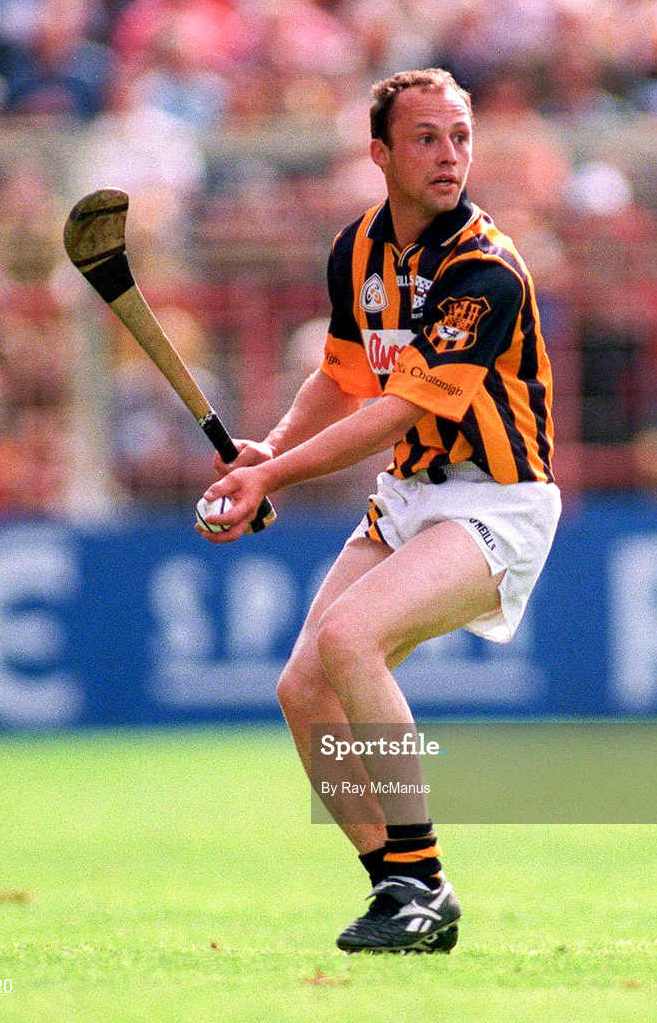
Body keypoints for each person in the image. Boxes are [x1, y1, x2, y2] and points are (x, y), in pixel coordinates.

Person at [197, 68, 560, 953]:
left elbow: (398, 409)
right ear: (381, 154)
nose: (450, 156)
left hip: (499, 504)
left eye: (461, 137)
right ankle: (397, 886)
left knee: (350, 639)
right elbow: (344, 376)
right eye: (428, 138)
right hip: (409, 499)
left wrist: (270, 480)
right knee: (301, 688)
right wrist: (270, 449)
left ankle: (426, 880)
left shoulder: (485, 270)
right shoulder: (356, 249)